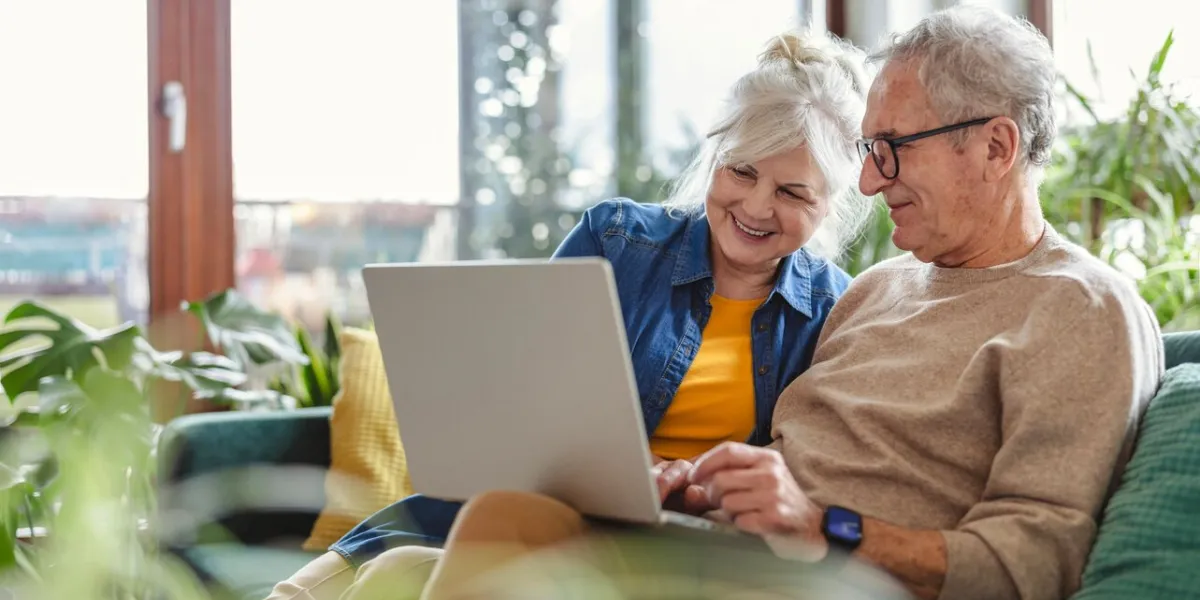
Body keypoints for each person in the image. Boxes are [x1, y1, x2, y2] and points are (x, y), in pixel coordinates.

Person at [303, 6, 1167, 600]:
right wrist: (703, 485)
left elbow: (1035, 560)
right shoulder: (876, 293)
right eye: (869, 151)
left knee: (487, 536)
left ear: (996, 145)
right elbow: (785, 458)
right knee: (406, 570)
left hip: (835, 578)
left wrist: (820, 521)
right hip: (732, 551)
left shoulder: (1082, 310)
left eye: (891, 151)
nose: (867, 182)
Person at [265, 27, 876, 600]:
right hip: (530, 507)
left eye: (793, 192)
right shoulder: (618, 240)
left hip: (677, 546)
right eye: (741, 170)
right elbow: (524, 408)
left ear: (831, 206)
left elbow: (802, 483)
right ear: (716, 158)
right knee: (343, 581)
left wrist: (701, 486)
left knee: (399, 571)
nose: (756, 205)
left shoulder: (835, 311)